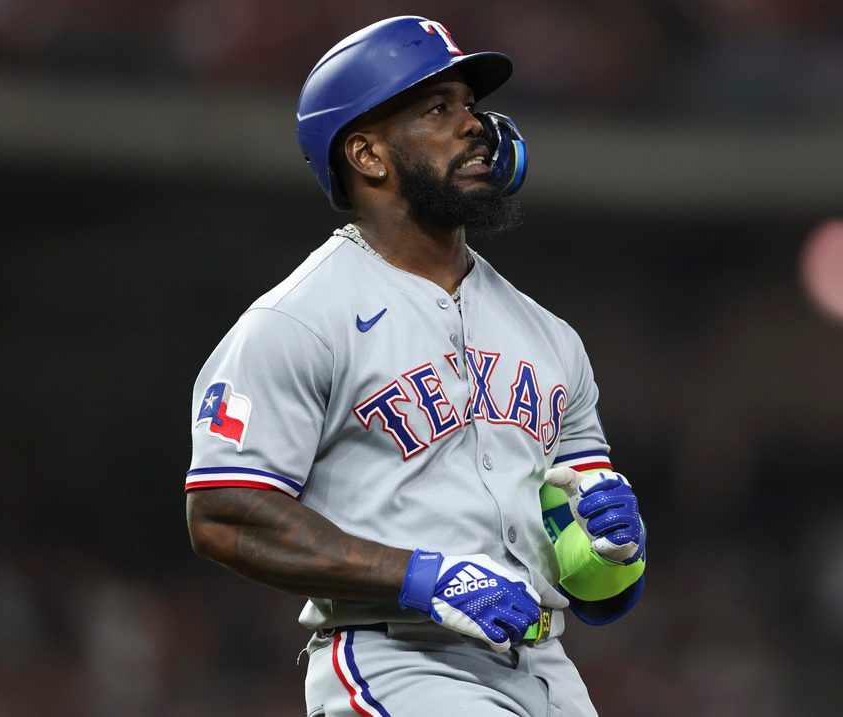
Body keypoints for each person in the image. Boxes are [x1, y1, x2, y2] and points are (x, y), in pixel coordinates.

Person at [186, 15, 646, 717]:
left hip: (546, 669)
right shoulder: (298, 319)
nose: (475, 127)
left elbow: (587, 576)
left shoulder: (550, 337)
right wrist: (420, 575)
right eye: (438, 109)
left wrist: (610, 551)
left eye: (471, 106)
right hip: (397, 660)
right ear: (368, 154)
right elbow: (223, 512)